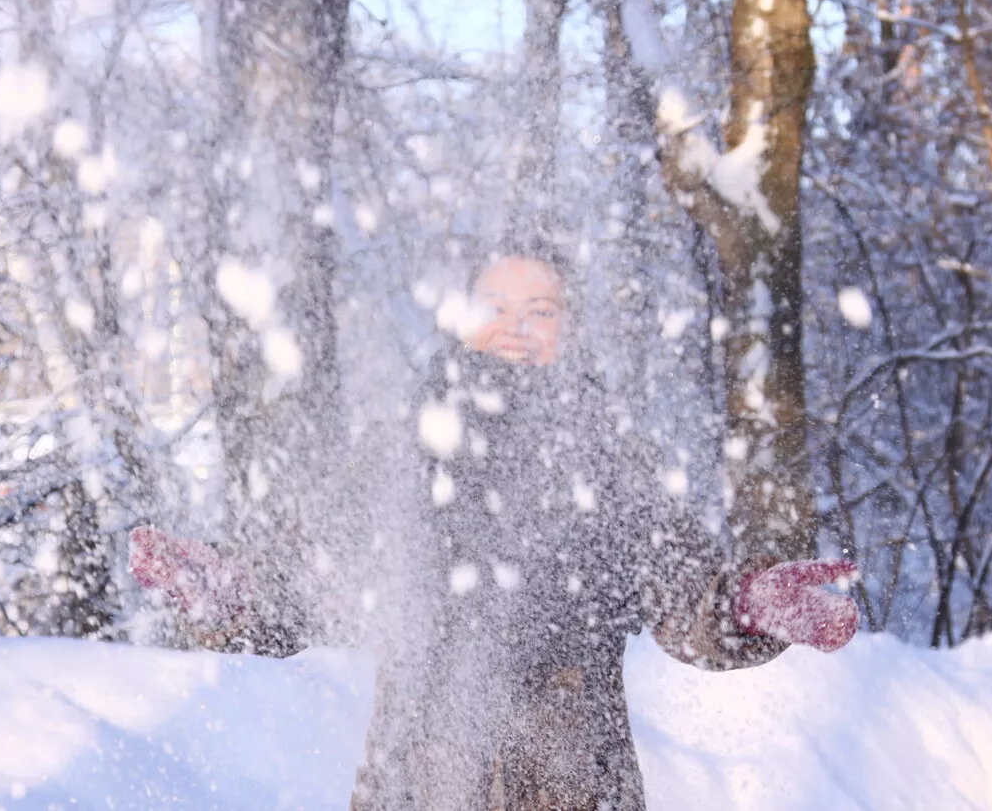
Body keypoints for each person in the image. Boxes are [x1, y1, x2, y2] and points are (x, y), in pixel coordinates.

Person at [130, 249, 859, 811]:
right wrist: (232, 594)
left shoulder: (603, 454)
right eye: (495, 304)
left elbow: (683, 585)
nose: (516, 324)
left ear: (567, 329)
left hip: (571, 782)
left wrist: (743, 604)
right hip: (418, 782)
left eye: (540, 309)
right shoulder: (404, 450)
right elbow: (312, 576)